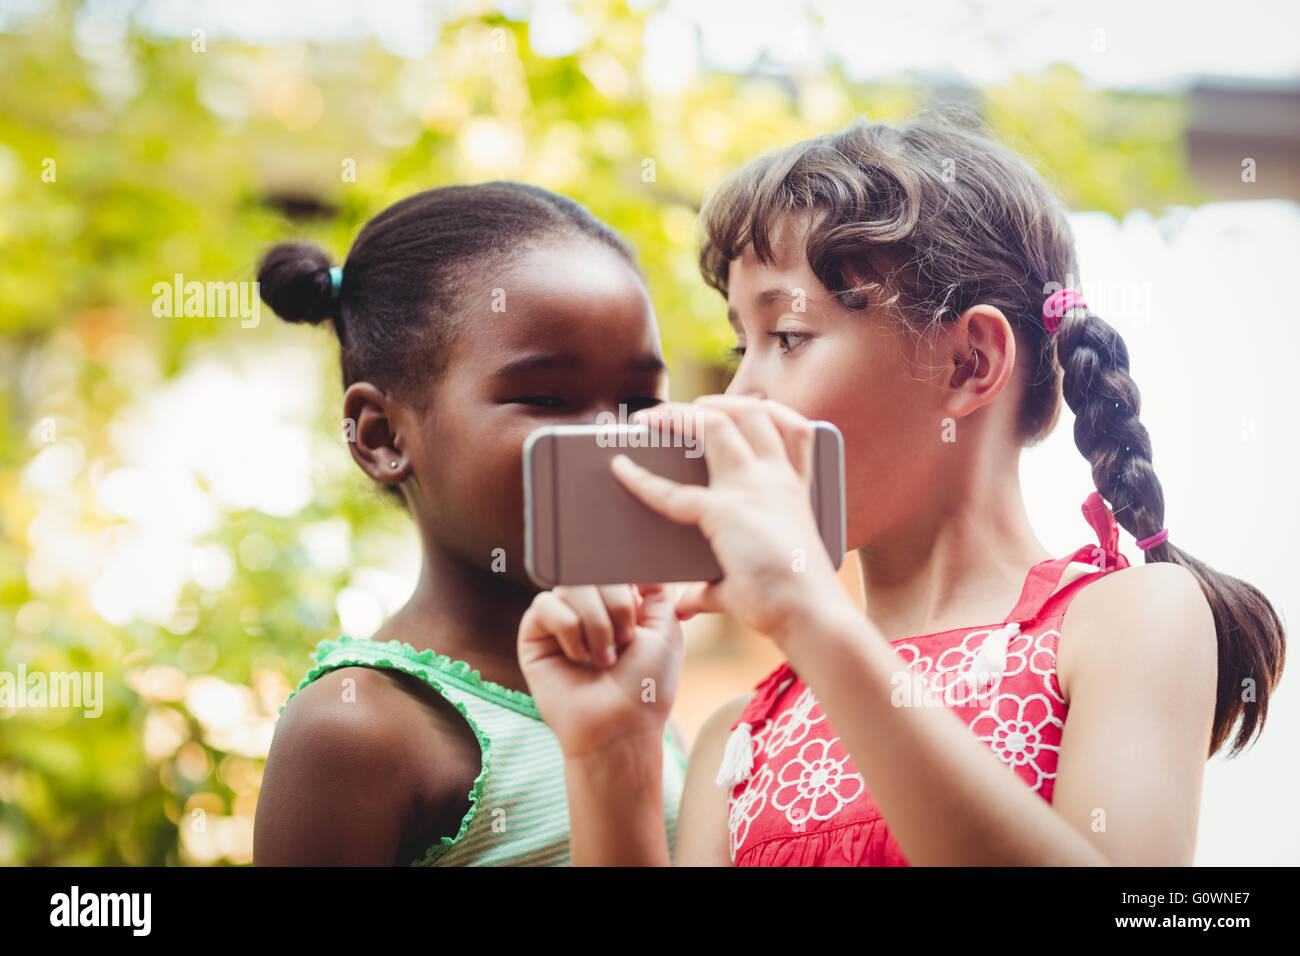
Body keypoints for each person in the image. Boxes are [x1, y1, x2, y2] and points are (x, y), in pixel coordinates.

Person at [517, 111, 1286, 865]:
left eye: (787, 337)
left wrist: (809, 613)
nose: (735, 396)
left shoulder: (1129, 620)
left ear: (968, 364)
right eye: (737, 343)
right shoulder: (738, 734)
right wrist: (611, 756)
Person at [253, 182, 688, 865]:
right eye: (548, 398)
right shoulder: (358, 727)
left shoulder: (636, 677)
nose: (611, 440)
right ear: (381, 436)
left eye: (638, 400)